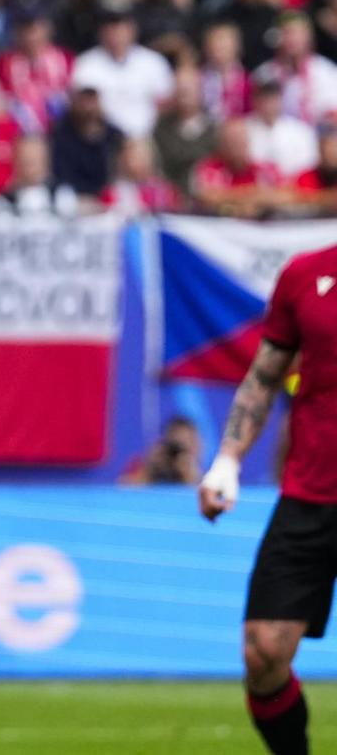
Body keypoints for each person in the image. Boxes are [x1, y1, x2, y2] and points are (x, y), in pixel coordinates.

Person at [200, 241, 337, 755]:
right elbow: (264, 375)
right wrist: (227, 461)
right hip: (311, 495)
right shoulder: (305, 275)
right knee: (263, 652)